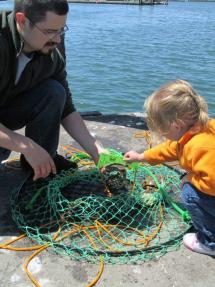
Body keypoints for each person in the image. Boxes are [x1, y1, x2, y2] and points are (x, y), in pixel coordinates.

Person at [0, 0, 101, 181]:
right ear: (22, 20)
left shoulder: (52, 50)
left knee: (54, 91)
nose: (57, 39)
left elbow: (67, 109)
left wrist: (97, 151)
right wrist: (24, 144)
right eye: (50, 31)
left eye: (61, 30)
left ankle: (42, 163)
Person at [124, 79, 215, 257]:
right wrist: (141, 157)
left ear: (176, 125)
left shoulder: (199, 147)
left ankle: (209, 242)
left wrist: (191, 179)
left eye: (162, 129)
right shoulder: (201, 127)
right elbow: (172, 149)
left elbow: (212, 182)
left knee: (189, 192)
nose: (161, 133)